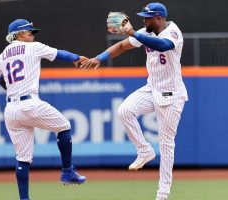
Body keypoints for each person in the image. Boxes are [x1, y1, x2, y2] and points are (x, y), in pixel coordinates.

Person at [80, 2, 188, 200]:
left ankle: (162, 194)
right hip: (151, 88)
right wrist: (99, 58)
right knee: (124, 111)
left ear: (159, 18)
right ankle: (144, 150)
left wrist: (134, 33)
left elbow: (162, 45)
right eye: (143, 17)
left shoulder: (173, 32)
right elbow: (122, 45)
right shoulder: (144, 32)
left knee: (166, 144)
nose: (144, 20)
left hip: (171, 94)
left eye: (148, 17)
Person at [0, 19, 86, 200]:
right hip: (30, 103)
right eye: (30, 32)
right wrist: (77, 58)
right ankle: (68, 172)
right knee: (63, 127)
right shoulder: (34, 47)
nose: (32, 35)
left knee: (23, 158)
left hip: (11, 110)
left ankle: (24, 198)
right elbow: (59, 54)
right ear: (20, 34)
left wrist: (8, 83)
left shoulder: (2, 55)